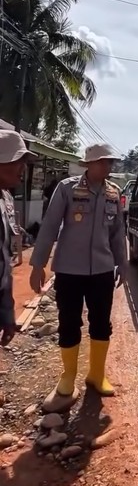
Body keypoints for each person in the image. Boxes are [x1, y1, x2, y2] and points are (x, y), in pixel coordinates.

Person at [30, 144, 127, 410]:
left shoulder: (113, 193)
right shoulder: (67, 188)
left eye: (111, 162)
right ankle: (68, 377)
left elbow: (118, 232)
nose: (109, 167)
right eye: (104, 162)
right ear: (90, 164)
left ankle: (97, 375)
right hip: (69, 270)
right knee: (69, 321)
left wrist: (123, 265)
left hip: (102, 271)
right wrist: (38, 264)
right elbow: (49, 227)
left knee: (100, 323)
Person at [0, 132, 37, 346]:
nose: (23, 169)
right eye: (17, 162)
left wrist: (7, 314)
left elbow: (4, 263)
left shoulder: (5, 200)